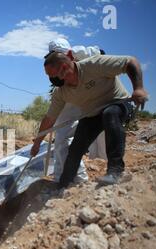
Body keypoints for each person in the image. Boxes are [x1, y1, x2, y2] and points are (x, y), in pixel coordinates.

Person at [31, 52, 148, 186]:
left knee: (109, 114)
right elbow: (49, 119)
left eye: (51, 75)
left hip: (119, 103)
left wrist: (138, 88)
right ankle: (64, 183)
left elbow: (131, 61)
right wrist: (37, 144)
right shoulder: (61, 92)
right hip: (93, 114)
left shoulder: (94, 65)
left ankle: (115, 171)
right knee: (76, 148)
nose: (50, 79)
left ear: (63, 68)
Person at [47, 38, 107, 184]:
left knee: (103, 135)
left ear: (68, 52)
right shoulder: (53, 66)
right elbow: (57, 82)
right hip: (69, 96)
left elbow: (103, 54)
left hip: (90, 95)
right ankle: (60, 177)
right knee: (61, 137)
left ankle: (81, 181)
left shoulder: (81, 53)